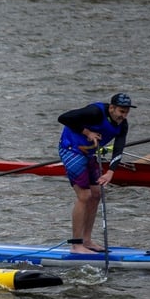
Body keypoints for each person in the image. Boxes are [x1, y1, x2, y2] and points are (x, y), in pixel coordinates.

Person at [57, 93, 133, 254]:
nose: (123, 115)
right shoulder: (95, 112)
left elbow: (119, 148)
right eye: (121, 111)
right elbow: (64, 117)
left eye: (126, 112)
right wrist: (88, 133)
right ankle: (76, 245)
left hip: (89, 153)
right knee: (84, 196)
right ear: (111, 108)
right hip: (71, 149)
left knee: (96, 194)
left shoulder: (123, 125)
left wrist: (111, 172)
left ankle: (87, 240)